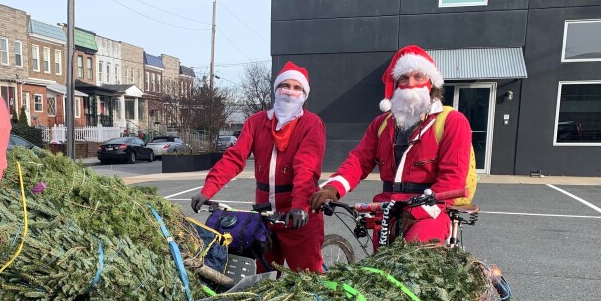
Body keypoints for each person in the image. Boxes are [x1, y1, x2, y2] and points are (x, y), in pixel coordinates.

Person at [310, 45, 471, 247]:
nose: (410, 84)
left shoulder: (452, 121)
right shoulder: (382, 124)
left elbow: (452, 178)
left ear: (431, 83)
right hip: (388, 210)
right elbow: (358, 161)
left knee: (413, 261)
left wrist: (418, 212)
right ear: (396, 86)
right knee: (381, 271)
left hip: (430, 211)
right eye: (403, 79)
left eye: (418, 77)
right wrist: (333, 188)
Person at [191, 62, 326, 273]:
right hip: (264, 217)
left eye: (297, 87)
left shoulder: (311, 124)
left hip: (297, 215)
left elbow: (306, 167)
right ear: (276, 90)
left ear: (304, 94)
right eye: (285, 85)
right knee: (265, 276)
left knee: (307, 277)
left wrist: (300, 205)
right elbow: (234, 158)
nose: (290, 92)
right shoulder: (256, 122)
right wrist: (207, 190)